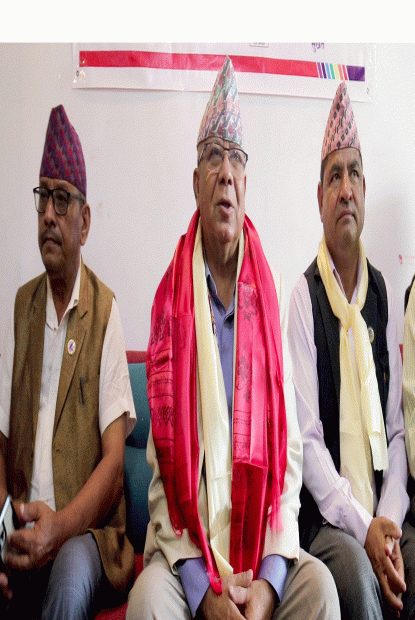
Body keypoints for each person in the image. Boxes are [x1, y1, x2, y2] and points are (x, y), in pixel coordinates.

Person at [126, 56, 340, 620]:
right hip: (190, 552)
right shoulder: (169, 304)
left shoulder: (271, 298)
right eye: (213, 156)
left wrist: (268, 584)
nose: (225, 172)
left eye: (236, 159)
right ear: (196, 181)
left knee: (319, 590)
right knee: (147, 602)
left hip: (260, 547)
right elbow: (163, 478)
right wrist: (205, 593)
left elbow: (288, 459)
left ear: (246, 185)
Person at [0, 104, 136, 619]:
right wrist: (3, 531)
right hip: (22, 524)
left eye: (63, 200)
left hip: (86, 535)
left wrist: (57, 529)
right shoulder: (21, 308)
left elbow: (115, 464)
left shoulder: (105, 311)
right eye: (43, 198)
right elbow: (0, 441)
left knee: (70, 574)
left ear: (85, 221)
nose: (49, 216)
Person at [288, 81, 415, 619]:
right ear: (319, 197)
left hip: (384, 508)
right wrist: (365, 528)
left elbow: (398, 430)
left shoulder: (384, 293)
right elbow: (308, 441)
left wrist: (388, 523)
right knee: (360, 579)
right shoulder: (302, 298)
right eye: (335, 176)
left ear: (364, 190)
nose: (346, 189)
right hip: (326, 522)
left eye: (355, 174)